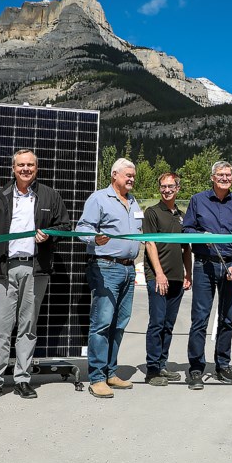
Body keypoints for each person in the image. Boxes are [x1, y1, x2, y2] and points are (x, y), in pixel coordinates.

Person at [0, 149, 70, 402]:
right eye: (21, 165)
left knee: (28, 328)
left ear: (36, 168)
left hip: (36, 269)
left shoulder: (49, 195)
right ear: (13, 168)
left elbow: (65, 225)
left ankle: (22, 379)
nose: (26, 169)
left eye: (30, 165)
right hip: (3, 270)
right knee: (0, 327)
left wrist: (49, 233)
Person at [182, 160, 232, 390]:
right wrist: (202, 235)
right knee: (200, 319)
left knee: (227, 319)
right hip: (204, 266)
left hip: (231, 267)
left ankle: (223, 365)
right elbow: (187, 230)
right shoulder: (197, 200)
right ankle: (195, 369)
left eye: (228, 175)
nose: (224, 178)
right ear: (212, 177)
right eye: (220, 174)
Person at [77, 158, 143, 399]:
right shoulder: (99, 199)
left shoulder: (134, 202)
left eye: (133, 175)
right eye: (127, 175)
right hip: (106, 267)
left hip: (128, 269)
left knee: (120, 323)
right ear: (114, 175)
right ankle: (96, 377)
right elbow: (82, 228)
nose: (132, 179)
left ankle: (110, 371)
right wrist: (95, 238)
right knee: (102, 322)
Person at [143, 172, 193, 386]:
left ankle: (162, 364)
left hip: (176, 279)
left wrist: (188, 273)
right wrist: (159, 274)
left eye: (170, 186)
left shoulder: (182, 216)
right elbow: (150, 244)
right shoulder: (152, 212)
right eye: (163, 186)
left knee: (168, 325)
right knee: (157, 323)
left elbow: (186, 247)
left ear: (178, 188)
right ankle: (152, 369)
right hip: (158, 278)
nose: (166, 190)